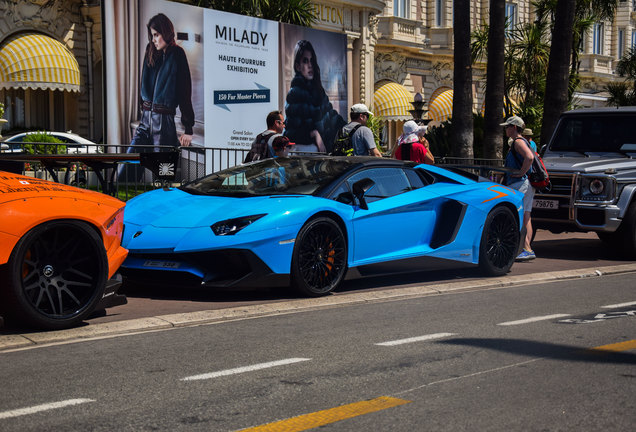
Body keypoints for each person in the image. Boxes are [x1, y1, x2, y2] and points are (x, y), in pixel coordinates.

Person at [130, 13, 194, 152]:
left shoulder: (178, 54)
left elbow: (185, 92)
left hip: (164, 125)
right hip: (145, 123)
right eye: (152, 35)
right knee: (126, 168)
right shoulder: (150, 51)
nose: (153, 39)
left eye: (156, 35)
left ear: (165, 32)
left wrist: (188, 128)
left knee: (163, 172)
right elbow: (143, 82)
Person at [283, 40, 346, 153]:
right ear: (298, 66)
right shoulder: (295, 93)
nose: (310, 65)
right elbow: (292, 132)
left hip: (320, 153)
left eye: (312, 60)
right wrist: (314, 135)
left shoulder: (318, 91)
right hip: (307, 154)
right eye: (305, 61)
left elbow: (331, 116)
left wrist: (350, 128)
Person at [502, 115, 536, 261]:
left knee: (519, 216)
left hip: (519, 183)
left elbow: (529, 157)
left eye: (507, 127)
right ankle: (527, 248)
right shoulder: (524, 141)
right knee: (526, 216)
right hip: (527, 184)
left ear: (514, 128)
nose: (505, 130)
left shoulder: (517, 142)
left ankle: (525, 248)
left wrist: (521, 173)